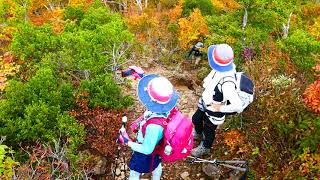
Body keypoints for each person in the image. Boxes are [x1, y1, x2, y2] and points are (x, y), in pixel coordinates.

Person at [118, 74, 179, 180]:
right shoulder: (168, 109)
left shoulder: (153, 127)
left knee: (135, 172)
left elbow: (147, 149)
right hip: (159, 146)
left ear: (152, 100)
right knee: (157, 165)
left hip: (147, 153)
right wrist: (141, 76)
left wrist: (127, 141)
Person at [191, 44, 243, 157]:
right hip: (206, 102)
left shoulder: (227, 82)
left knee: (209, 130)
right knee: (196, 119)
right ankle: (198, 134)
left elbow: (238, 106)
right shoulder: (220, 69)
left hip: (214, 110)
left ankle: (205, 147)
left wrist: (221, 108)